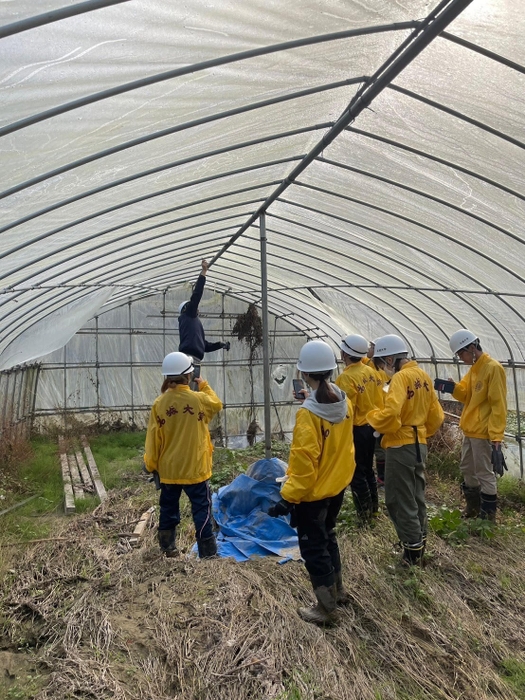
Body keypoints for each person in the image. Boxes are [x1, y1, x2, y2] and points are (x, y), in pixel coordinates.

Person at [268, 340, 355, 625]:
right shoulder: (344, 402)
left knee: (313, 548)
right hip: (337, 486)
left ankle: (326, 610)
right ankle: (338, 592)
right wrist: (310, 397)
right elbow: (340, 446)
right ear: (331, 369)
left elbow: (305, 465)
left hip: (314, 494)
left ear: (305, 373)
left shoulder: (308, 415)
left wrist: (287, 498)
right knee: (328, 536)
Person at [367, 335, 444, 566]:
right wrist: (420, 432)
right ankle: (419, 544)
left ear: (390, 358)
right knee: (417, 496)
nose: (383, 368)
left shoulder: (401, 378)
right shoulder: (423, 376)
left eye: (382, 363)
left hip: (401, 444)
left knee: (399, 499)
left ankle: (411, 555)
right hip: (419, 443)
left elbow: (391, 414)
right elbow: (437, 415)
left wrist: (373, 419)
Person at [144, 352, 223, 559]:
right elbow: (216, 404)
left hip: (169, 469)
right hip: (194, 468)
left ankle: (167, 549)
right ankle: (208, 553)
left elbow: (153, 439)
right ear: (189, 376)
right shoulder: (199, 400)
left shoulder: (159, 404)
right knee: (201, 510)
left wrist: (151, 464)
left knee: (168, 508)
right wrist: (204, 385)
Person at [446, 329, 507, 521]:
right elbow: (465, 394)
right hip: (470, 430)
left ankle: (487, 518)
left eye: (461, 353)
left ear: (472, 348)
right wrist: (453, 388)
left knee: (484, 473)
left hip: (483, 432)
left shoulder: (492, 368)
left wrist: (496, 439)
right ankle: (473, 508)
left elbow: (498, 405)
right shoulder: (474, 369)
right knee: (466, 468)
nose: (460, 358)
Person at [335, 334, 382, 524]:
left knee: (356, 473)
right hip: (373, 427)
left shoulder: (346, 378)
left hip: (357, 430)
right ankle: (374, 509)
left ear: (345, 353)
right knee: (369, 470)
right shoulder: (372, 373)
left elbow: (344, 410)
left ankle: (364, 516)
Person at [178, 259, 231, 369]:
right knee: (190, 385)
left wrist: (219, 345)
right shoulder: (188, 315)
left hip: (194, 359)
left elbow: (204, 346)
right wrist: (203, 273)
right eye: (193, 306)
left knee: (192, 386)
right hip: (189, 358)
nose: (197, 309)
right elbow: (196, 295)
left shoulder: (191, 322)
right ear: (186, 308)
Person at [363, 338, 391, 485]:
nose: (369, 349)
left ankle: (382, 477)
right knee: (375, 447)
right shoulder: (367, 364)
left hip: (379, 413)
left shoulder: (382, 371)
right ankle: (378, 476)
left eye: (372, 347)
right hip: (372, 414)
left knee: (379, 447)